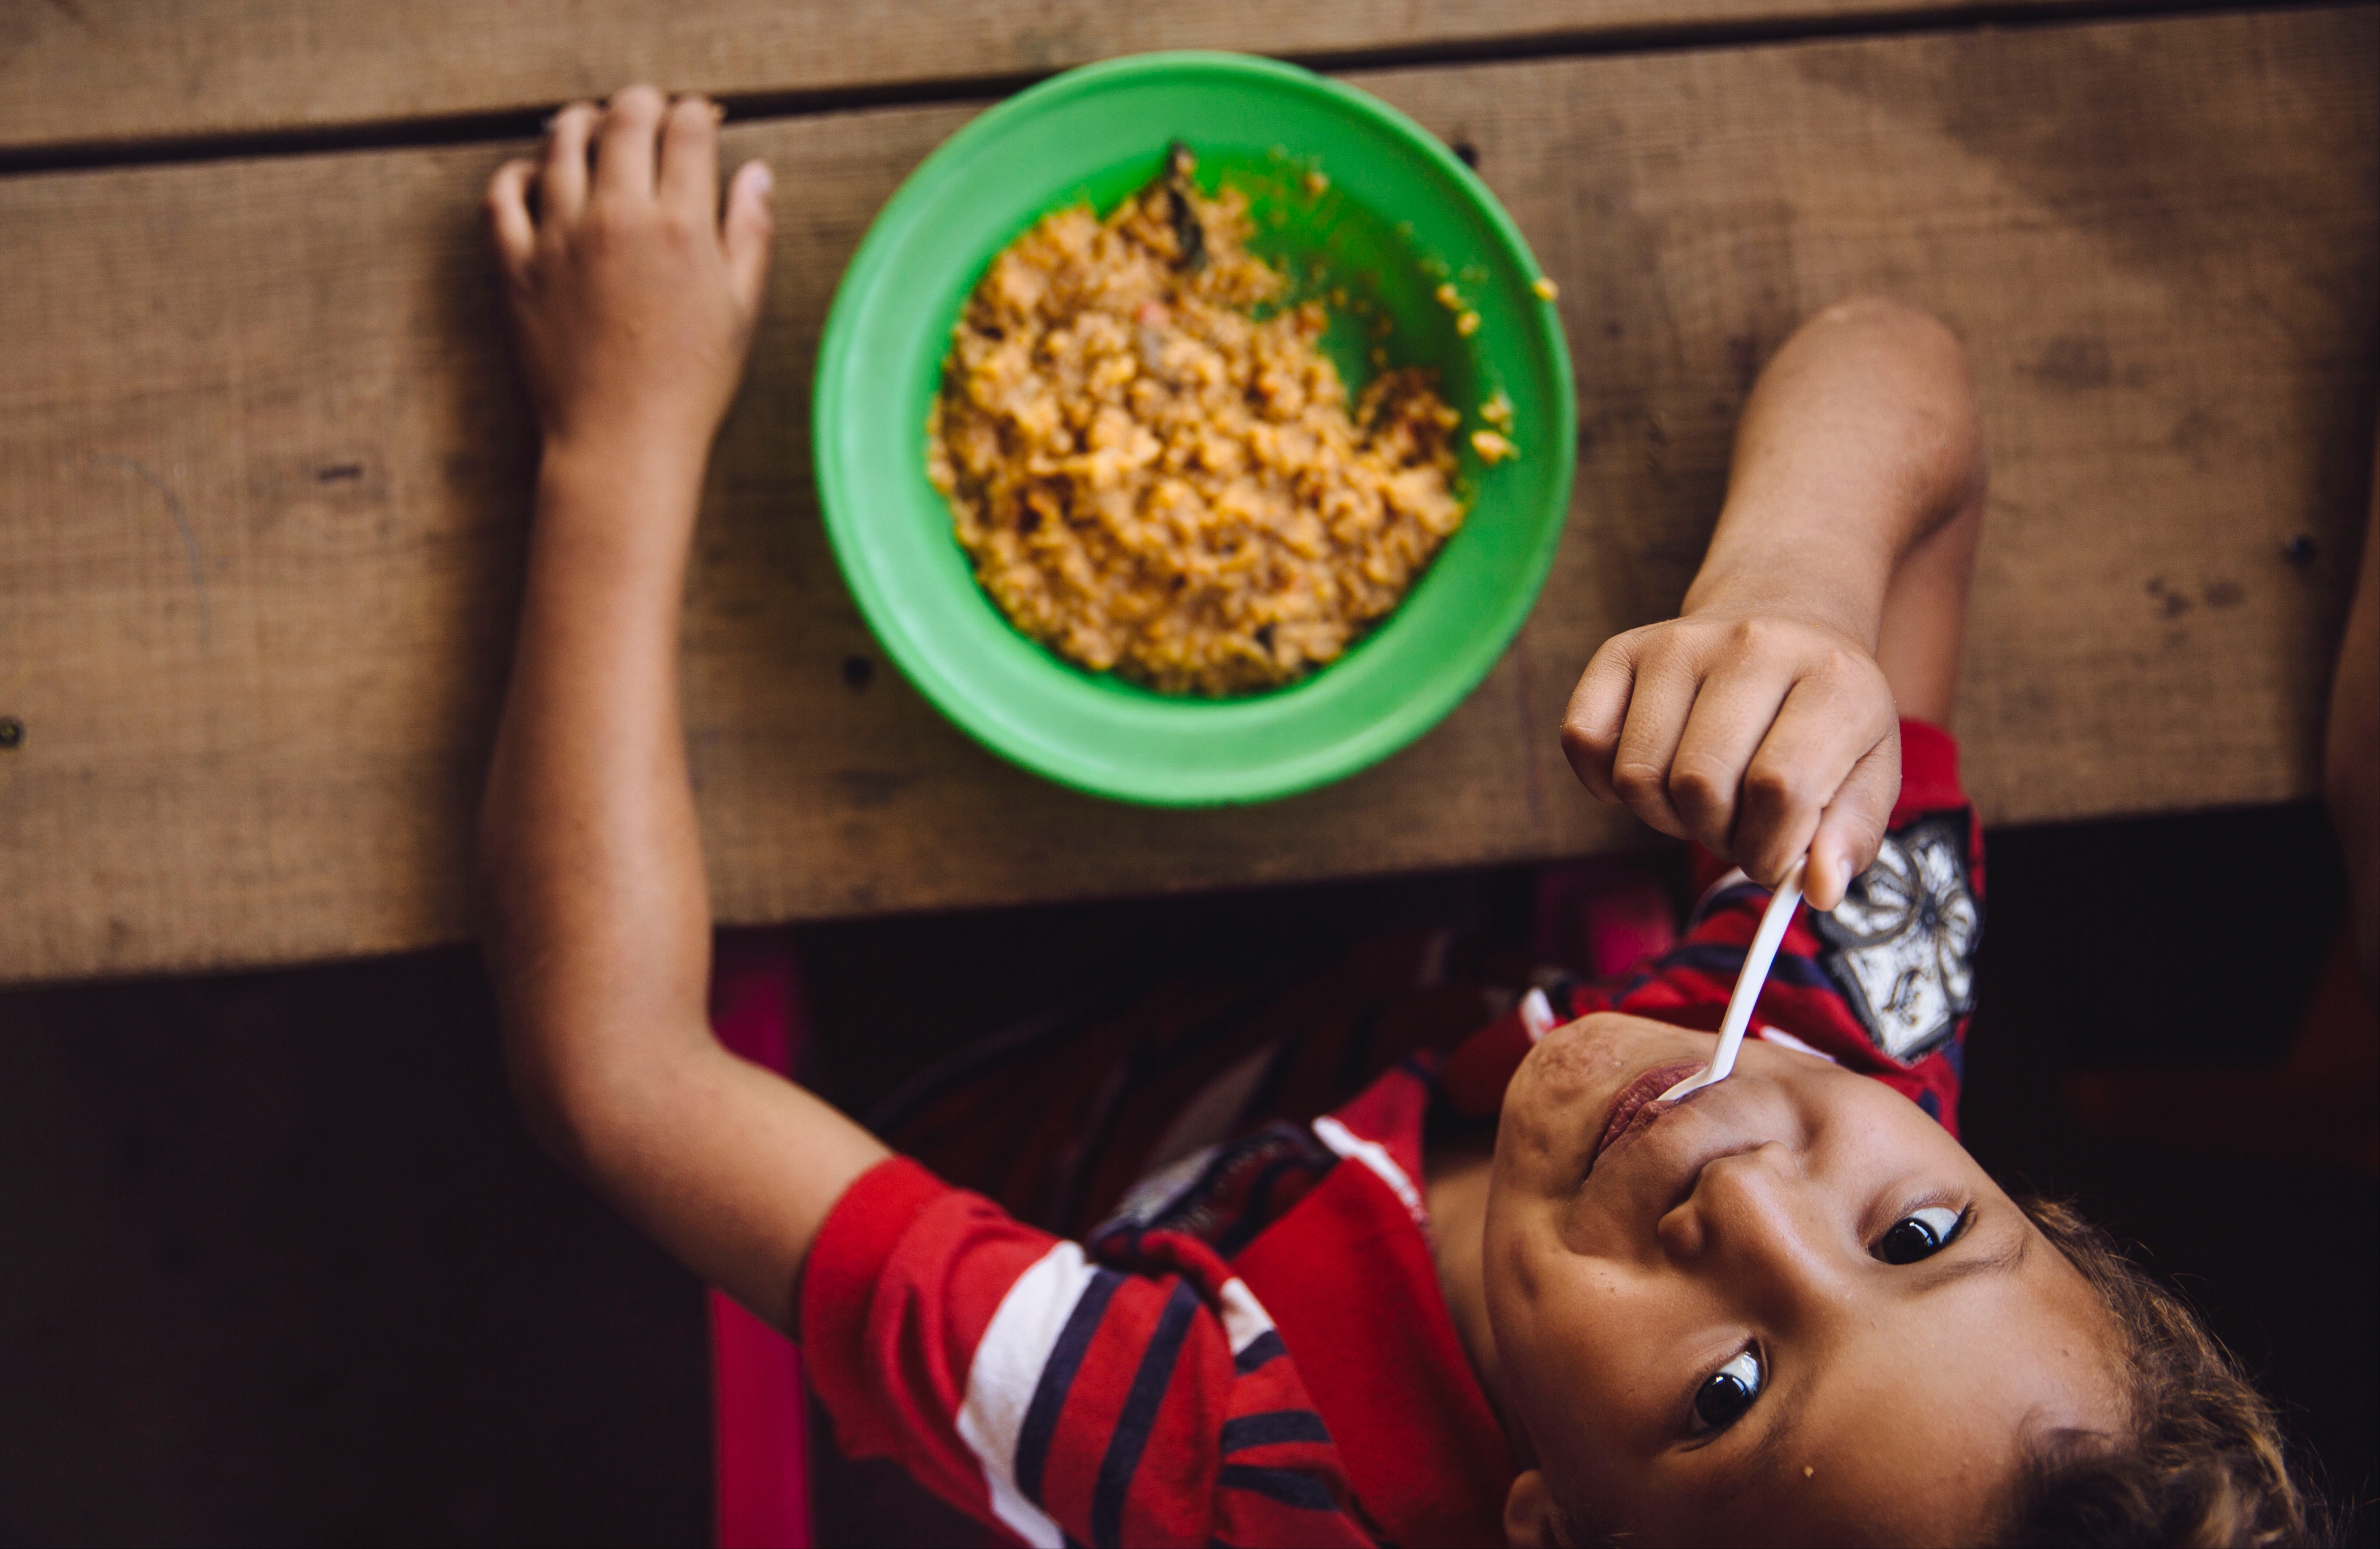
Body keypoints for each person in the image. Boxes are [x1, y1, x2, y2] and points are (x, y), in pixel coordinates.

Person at [477, 87, 2332, 1545]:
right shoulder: (1850, 1047)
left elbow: (616, 1068)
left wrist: (619, 430)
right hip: (1361, 998)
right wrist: (1800, 594)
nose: (1748, 1185)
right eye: (1924, 1239)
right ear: (2032, 1211)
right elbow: (1909, 375)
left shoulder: (1215, 1446)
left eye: (1731, 1388)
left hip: (1017, 1118)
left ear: (1556, 1528)